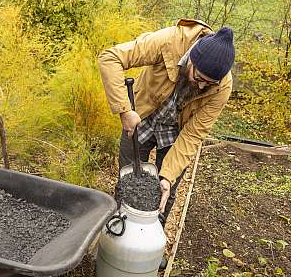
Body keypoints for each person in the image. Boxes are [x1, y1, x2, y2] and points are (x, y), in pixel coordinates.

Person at [98, 19, 234, 222]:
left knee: (164, 190)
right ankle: (120, 226)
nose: (203, 86)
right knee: (127, 179)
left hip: (175, 130)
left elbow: (193, 135)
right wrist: (125, 111)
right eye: (199, 77)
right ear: (191, 59)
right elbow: (110, 58)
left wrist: (168, 177)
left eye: (210, 82)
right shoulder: (169, 41)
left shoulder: (222, 87)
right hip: (142, 117)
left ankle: (153, 234)